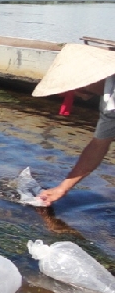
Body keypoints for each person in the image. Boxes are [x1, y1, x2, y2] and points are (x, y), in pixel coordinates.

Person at [31, 43, 115, 206]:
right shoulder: (109, 104)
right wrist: (62, 188)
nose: (78, 94)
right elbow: (98, 145)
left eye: (74, 89)